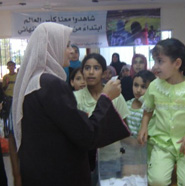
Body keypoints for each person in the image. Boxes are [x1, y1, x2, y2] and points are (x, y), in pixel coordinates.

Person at [11, 22, 130, 186]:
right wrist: (106, 98)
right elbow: (86, 135)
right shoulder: (50, 84)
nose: (71, 51)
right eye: (66, 45)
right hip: (59, 175)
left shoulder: (35, 82)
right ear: (51, 46)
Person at [137, 38, 185, 186]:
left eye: (160, 61)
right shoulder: (154, 86)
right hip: (162, 143)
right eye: (154, 61)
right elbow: (148, 110)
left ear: (177, 63)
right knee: (157, 182)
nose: (155, 67)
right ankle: (164, 164)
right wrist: (144, 126)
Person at [73, 53, 129, 181]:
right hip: (85, 160)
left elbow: (124, 128)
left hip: (112, 157)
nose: (91, 72)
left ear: (104, 73)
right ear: (82, 72)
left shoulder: (116, 96)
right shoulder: (75, 98)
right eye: (87, 68)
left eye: (96, 68)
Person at [121, 70, 155, 177]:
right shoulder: (126, 105)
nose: (138, 90)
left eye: (144, 87)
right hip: (128, 152)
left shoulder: (151, 109)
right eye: (136, 85)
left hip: (146, 152)